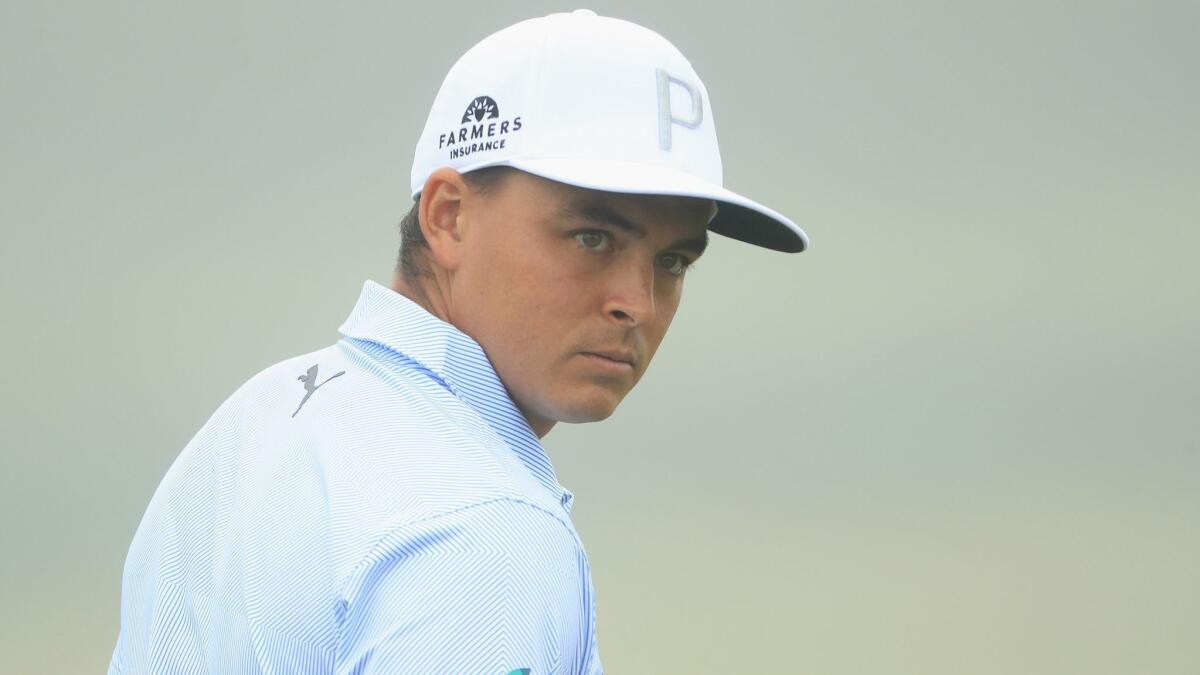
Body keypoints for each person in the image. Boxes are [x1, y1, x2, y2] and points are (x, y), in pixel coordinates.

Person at [108, 9, 808, 675]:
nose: (637, 301)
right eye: (592, 236)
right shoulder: (484, 523)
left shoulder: (258, 419)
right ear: (448, 218)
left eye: (673, 260)